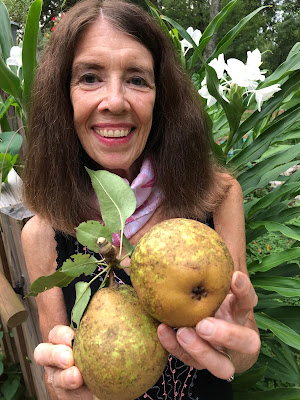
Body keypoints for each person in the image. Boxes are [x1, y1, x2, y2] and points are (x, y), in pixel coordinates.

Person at [21, 0, 260, 399]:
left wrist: (237, 347)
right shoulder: (43, 234)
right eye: (90, 77)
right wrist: (65, 386)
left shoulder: (217, 196)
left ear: (160, 97)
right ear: (63, 100)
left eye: (136, 79)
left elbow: (242, 341)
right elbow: (62, 368)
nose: (115, 101)